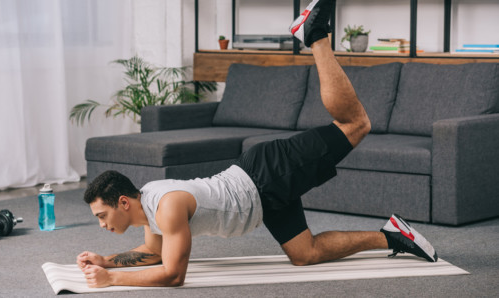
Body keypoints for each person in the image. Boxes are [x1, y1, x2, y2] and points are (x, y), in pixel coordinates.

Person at [77, 0, 438, 288]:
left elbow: (173, 275)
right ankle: (392, 236)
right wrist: (106, 261)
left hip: (267, 174)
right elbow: (151, 254)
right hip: (262, 197)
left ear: (123, 202)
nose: (102, 224)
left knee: (356, 124)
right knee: (305, 254)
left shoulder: (166, 206)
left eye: (102, 216)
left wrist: (112, 278)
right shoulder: (150, 208)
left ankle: (315, 36)